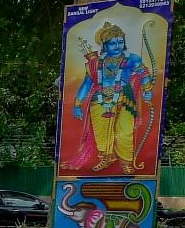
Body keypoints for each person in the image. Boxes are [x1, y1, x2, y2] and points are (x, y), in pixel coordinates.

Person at [66, 21, 154, 173]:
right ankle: (106, 158)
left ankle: (126, 162)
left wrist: (148, 91)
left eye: (120, 42)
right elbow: (87, 84)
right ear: (104, 45)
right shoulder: (94, 64)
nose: (118, 45)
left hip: (124, 97)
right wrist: (77, 104)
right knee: (101, 133)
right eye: (113, 43)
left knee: (124, 132)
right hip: (99, 99)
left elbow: (144, 75)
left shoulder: (132, 59)